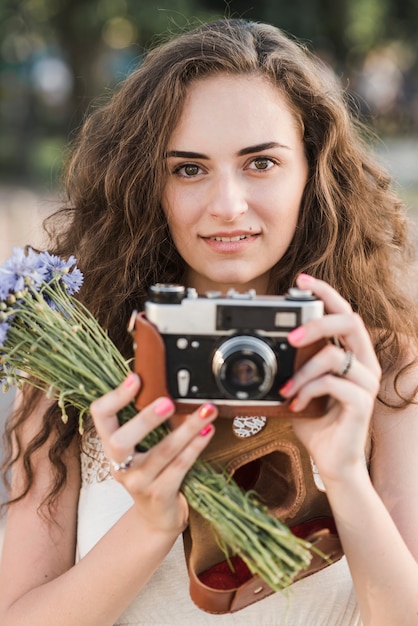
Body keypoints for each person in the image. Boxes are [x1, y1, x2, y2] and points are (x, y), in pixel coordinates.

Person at [1, 18, 418, 626]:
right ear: (149, 184)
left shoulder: (380, 366)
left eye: (261, 163)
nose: (227, 205)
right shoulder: (72, 368)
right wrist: (149, 525)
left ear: (312, 172)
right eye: (188, 169)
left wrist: (347, 473)